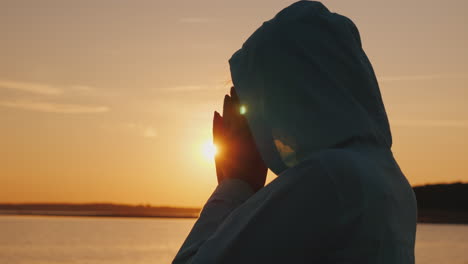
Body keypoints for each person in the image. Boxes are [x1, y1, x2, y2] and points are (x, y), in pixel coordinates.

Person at [173, 1, 417, 263]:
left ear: (290, 96)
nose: (256, 124)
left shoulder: (329, 177)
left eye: (252, 104)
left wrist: (235, 183)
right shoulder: (392, 181)